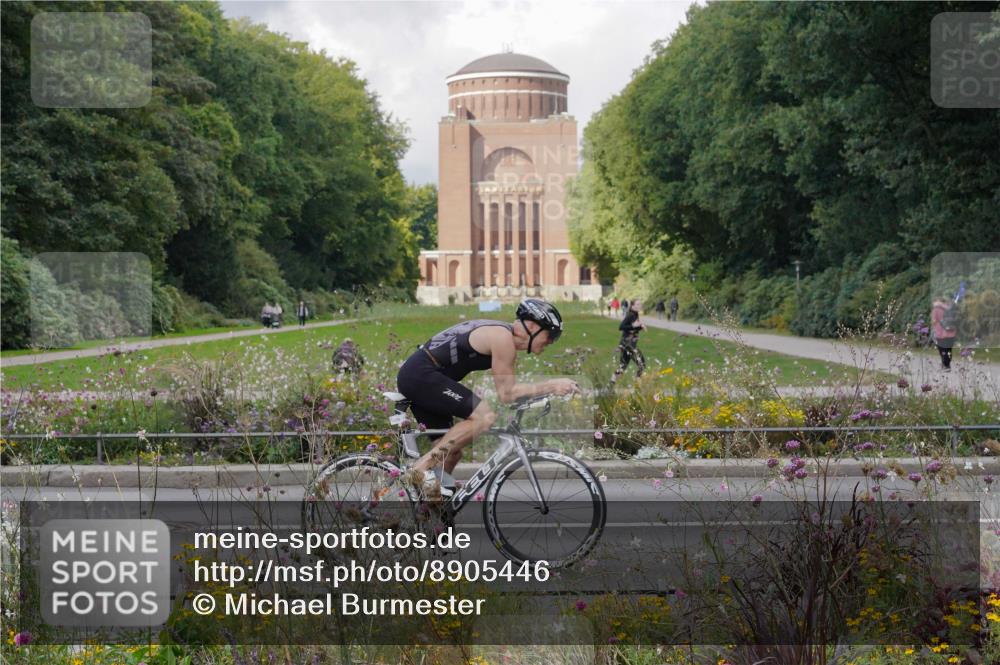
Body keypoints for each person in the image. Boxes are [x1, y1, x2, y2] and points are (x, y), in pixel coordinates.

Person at [396, 299, 576, 497]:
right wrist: (552, 386)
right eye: (551, 335)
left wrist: (540, 394)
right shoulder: (502, 337)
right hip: (421, 375)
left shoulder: (502, 335)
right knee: (484, 417)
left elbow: (510, 392)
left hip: (425, 377)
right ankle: (421, 468)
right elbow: (507, 394)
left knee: (452, 452)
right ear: (533, 326)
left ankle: (430, 507)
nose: (551, 341)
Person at [612, 298, 646, 384]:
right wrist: (636, 326)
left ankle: (610, 385)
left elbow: (631, 329)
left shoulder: (635, 314)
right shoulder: (631, 315)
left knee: (622, 367)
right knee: (642, 365)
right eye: (637, 304)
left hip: (626, 345)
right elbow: (621, 327)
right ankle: (638, 385)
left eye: (640, 304)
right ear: (632, 306)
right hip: (629, 345)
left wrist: (640, 327)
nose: (639, 306)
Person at [931, 296, 957, 371]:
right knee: (949, 349)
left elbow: (934, 321)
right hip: (951, 332)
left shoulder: (936, 309)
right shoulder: (950, 308)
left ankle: (945, 365)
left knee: (942, 349)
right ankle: (947, 364)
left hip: (940, 333)